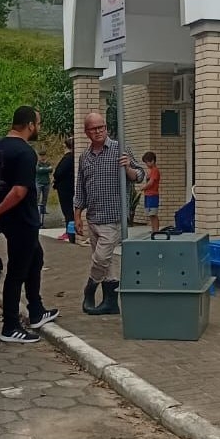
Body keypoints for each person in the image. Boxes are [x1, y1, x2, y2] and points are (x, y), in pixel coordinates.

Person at [0, 106, 58, 343]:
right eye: (38, 123)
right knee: (17, 271)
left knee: (36, 258)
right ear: (30, 125)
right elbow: (19, 190)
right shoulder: (25, 152)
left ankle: (36, 311)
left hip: (8, 220)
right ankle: (10, 326)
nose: (39, 127)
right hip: (22, 219)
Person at [74, 112, 146, 316]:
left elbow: (140, 175)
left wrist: (128, 168)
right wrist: (77, 216)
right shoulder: (84, 156)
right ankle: (111, 303)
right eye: (93, 129)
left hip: (113, 217)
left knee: (101, 258)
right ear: (86, 132)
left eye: (101, 127)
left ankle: (89, 290)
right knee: (108, 262)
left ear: (106, 128)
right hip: (93, 217)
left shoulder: (120, 149)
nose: (98, 132)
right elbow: (81, 189)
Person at [53, 137, 75, 242]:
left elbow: (59, 172)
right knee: (69, 210)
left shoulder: (68, 158)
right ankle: (69, 231)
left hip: (65, 188)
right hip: (69, 187)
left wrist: (56, 179)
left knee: (67, 210)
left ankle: (69, 231)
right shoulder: (73, 157)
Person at [141, 151, 161, 232]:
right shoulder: (151, 171)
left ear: (152, 161)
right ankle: (153, 229)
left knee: (153, 214)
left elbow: (151, 182)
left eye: (147, 162)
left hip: (153, 195)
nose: (146, 164)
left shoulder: (155, 170)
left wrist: (143, 187)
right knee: (150, 214)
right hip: (148, 195)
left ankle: (156, 230)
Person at [35, 149, 53, 228]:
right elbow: (38, 170)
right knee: (37, 197)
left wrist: (44, 169)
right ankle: (36, 210)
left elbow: (51, 170)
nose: (42, 157)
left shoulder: (47, 163)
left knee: (45, 198)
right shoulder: (37, 163)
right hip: (39, 182)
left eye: (44, 155)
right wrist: (46, 169)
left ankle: (43, 210)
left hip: (46, 182)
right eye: (41, 156)